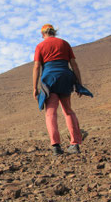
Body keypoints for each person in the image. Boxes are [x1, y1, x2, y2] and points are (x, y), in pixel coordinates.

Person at [32, 24, 84, 155]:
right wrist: (79, 83)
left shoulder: (40, 46)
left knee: (51, 113)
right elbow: (74, 65)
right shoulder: (64, 43)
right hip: (65, 77)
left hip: (50, 80)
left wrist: (34, 87)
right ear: (54, 32)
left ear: (43, 34)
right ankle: (75, 144)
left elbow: (37, 67)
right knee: (68, 111)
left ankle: (56, 146)